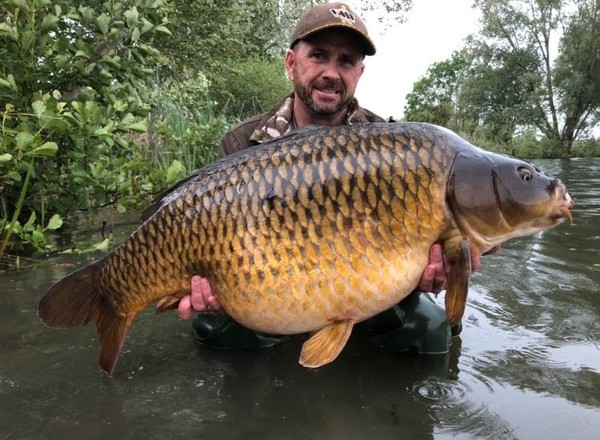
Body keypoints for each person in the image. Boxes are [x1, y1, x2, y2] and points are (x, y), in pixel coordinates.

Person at [177, 2, 494, 354]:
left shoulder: (392, 145)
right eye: (318, 55)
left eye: (345, 61)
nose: (331, 72)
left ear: (359, 73)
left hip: (362, 293)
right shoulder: (242, 143)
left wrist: (427, 277)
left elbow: (404, 254)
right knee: (211, 329)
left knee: (433, 332)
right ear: (291, 63)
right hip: (268, 291)